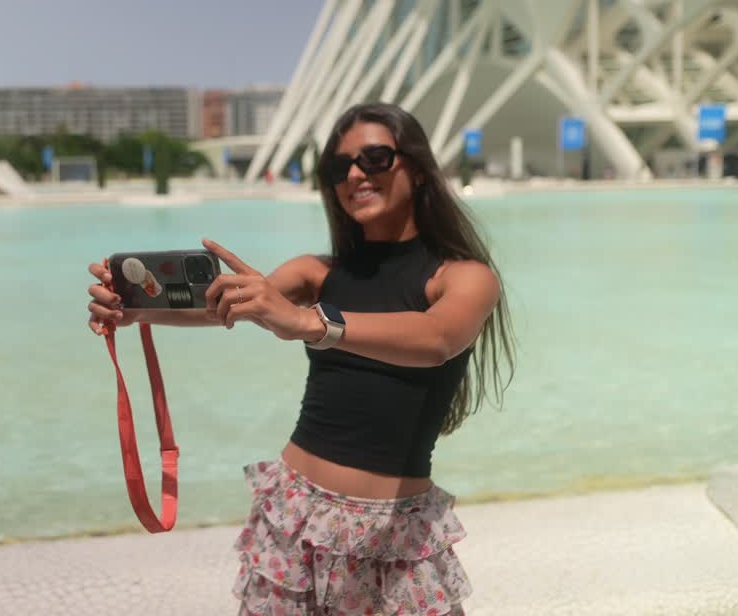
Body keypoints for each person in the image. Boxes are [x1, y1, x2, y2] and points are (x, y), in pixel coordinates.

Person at [86, 103, 515, 615]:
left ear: (417, 168)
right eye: (338, 168)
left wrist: (313, 322)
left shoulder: (463, 278)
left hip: (398, 533)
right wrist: (135, 309)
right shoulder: (318, 272)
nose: (355, 174)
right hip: (295, 516)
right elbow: (223, 306)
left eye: (375, 158)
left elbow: (438, 337)